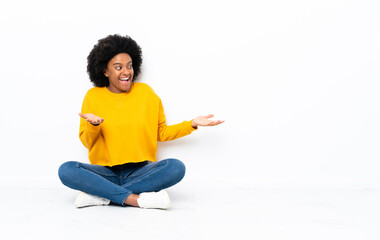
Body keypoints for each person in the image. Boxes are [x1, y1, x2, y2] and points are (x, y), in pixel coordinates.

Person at [58, 34, 224, 209]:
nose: (126, 72)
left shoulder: (146, 93)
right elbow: (87, 142)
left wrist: (192, 124)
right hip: (105, 172)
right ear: (105, 71)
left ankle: (102, 195)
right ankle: (135, 200)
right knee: (66, 170)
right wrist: (93, 125)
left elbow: (161, 132)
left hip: (140, 172)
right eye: (118, 67)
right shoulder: (93, 96)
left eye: (129, 66)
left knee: (176, 167)